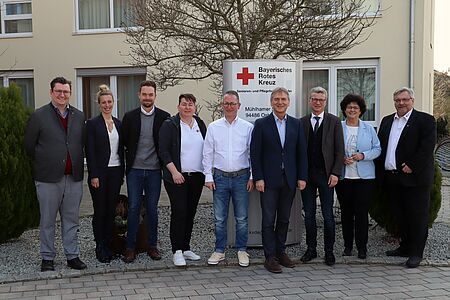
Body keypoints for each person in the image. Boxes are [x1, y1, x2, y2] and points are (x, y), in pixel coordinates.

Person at [24, 76, 87, 272]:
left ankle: (72, 255)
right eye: (58, 91)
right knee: (48, 219)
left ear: (70, 93)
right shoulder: (39, 115)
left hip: (73, 177)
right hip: (48, 178)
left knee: (71, 219)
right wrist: (46, 160)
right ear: (51, 92)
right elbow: (29, 146)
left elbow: (80, 143)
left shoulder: (78, 115)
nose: (62, 95)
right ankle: (47, 258)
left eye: (66, 91)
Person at [376, 87, 436, 268]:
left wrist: (412, 165)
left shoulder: (425, 120)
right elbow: (382, 147)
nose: (401, 103)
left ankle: (416, 254)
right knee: (399, 215)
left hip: (415, 179)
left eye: (405, 99)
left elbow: (427, 147)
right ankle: (405, 247)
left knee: (417, 217)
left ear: (412, 100)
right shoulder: (387, 121)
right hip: (392, 178)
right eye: (397, 100)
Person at [250, 87, 308, 273]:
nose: (280, 102)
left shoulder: (296, 124)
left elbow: (301, 153)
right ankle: (270, 257)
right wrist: (258, 177)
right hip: (268, 181)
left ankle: (281, 251)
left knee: (284, 218)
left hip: (289, 180)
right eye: (276, 99)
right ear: (271, 102)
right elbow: (255, 153)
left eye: (283, 99)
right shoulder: (261, 124)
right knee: (268, 219)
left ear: (289, 102)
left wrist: (302, 177)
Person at [203, 90, 254, 267]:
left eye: (233, 103)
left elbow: (251, 153)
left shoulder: (247, 127)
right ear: (222, 106)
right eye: (226, 103)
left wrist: (252, 176)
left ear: (239, 106)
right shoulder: (213, 127)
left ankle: (241, 250)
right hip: (220, 178)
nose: (230, 106)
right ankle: (219, 251)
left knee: (241, 218)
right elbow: (207, 153)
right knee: (219, 218)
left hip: (241, 177)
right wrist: (208, 176)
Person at [121, 80, 170, 263]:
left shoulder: (164, 117)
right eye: (144, 94)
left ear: (155, 96)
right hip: (134, 170)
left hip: (155, 171)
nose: (147, 98)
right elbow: (124, 142)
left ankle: (152, 246)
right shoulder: (130, 117)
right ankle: (130, 247)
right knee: (133, 208)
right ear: (139, 95)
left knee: (152, 209)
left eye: (151, 94)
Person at [159, 94, 206, 266]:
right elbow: (163, 151)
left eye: (190, 104)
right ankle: (176, 250)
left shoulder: (199, 123)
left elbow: (206, 148)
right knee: (179, 212)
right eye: (184, 104)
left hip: (196, 177)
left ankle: (186, 248)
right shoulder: (169, 124)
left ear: (195, 107)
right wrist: (174, 172)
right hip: (177, 177)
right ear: (178, 106)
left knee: (190, 212)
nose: (187, 107)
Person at [300, 86, 344, 266]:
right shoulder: (301, 122)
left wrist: (335, 173)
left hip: (327, 176)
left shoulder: (334, 121)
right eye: (314, 99)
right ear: (309, 101)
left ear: (325, 102)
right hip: (307, 176)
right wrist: (299, 175)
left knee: (327, 215)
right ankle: (311, 249)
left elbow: (339, 150)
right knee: (309, 215)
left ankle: (329, 251)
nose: (317, 102)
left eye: (321, 100)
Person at [335, 94, 381, 259]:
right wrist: (340, 158)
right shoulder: (337, 127)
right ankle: (348, 246)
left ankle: (362, 248)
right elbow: (331, 148)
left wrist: (363, 155)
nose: (352, 110)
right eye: (349, 107)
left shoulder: (368, 129)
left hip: (364, 179)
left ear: (361, 110)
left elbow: (377, 149)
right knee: (346, 213)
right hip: (344, 178)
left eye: (355, 107)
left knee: (361, 214)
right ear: (344, 109)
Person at [85, 85, 124, 263]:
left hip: (115, 172)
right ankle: (99, 247)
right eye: (104, 102)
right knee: (100, 211)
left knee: (110, 211)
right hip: (99, 174)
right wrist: (93, 175)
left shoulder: (118, 123)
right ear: (99, 104)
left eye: (109, 102)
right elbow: (90, 151)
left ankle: (109, 245)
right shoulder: (92, 124)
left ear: (113, 103)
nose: (107, 105)